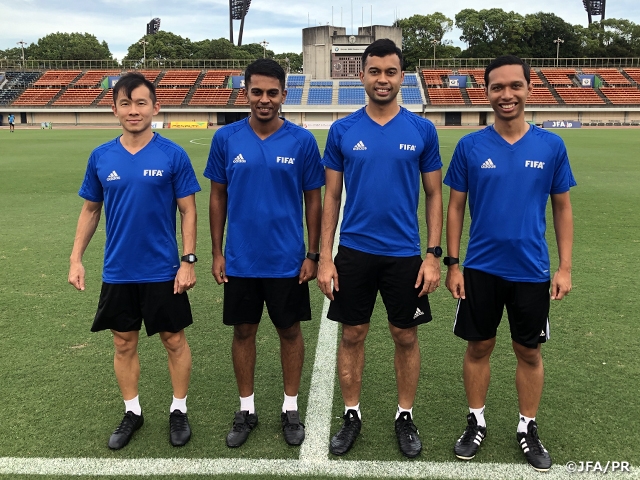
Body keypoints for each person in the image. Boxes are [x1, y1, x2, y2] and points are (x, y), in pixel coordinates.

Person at [443, 55, 575, 472]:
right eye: (497, 87)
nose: (506, 94)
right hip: (481, 268)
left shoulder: (552, 145)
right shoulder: (470, 146)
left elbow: (563, 208)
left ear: (529, 89)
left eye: (514, 86)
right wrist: (453, 264)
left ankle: (527, 426)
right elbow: (454, 208)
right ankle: (475, 420)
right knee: (479, 346)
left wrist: (565, 267)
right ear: (486, 92)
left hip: (531, 271)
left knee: (528, 352)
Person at [317, 39, 443, 458]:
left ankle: (404, 415)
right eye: (375, 71)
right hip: (353, 251)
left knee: (404, 336)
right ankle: (351, 414)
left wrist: (432, 255)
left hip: (405, 254)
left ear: (401, 77)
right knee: (352, 333)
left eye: (390, 72)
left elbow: (434, 196)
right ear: (362, 76)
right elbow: (331, 197)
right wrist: (323, 257)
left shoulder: (422, 129)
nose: (382, 79)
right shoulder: (343, 130)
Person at [68, 73, 200, 450]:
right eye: (125, 103)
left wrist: (187, 260)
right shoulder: (101, 156)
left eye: (141, 102)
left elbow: (188, 211)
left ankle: (178, 409)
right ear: (114, 109)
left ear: (155, 107)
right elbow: (91, 210)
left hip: (162, 269)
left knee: (174, 340)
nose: (133, 110)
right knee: (123, 343)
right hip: (119, 270)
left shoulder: (173, 154)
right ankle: (132, 411)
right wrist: (76, 258)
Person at [205, 58, 324, 448]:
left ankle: (291, 407)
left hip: (287, 260)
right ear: (246, 92)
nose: (264, 99)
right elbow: (217, 196)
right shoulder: (226, 139)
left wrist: (312, 253)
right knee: (243, 331)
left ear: (284, 95)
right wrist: (217, 251)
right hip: (240, 258)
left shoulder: (302, 141)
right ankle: (247, 408)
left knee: (289, 331)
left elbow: (313, 200)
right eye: (257, 91)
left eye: (272, 92)